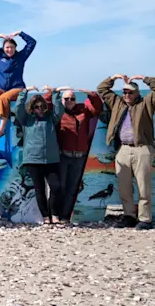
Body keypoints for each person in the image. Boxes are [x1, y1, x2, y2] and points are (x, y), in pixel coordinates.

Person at [97, 74, 155, 230]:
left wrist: (144, 78)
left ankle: (145, 219)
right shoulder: (117, 103)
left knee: (143, 187)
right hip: (123, 150)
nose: (127, 95)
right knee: (124, 187)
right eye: (125, 92)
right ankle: (129, 216)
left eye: (130, 92)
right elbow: (102, 88)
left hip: (142, 149)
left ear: (137, 93)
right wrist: (113, 77)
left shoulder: (147, 104)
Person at [42, 87, 103, 220]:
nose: (70, 101)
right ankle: (54, 214)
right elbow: (44, 105)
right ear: (62, 100)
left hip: (79, 157)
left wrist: (90, 93)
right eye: (66, 98)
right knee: (60, 187)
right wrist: (50, 92)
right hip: (63, 156)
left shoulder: (84, 110)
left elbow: (97, 107)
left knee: (73, 188)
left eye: (72, 98)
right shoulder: (58, 112)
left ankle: (66, 216)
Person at [16, 85, 65, 225]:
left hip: (51, 160)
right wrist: (24, 93)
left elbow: (59, 110)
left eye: (42, 106)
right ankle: (45, 217)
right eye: (36, 106)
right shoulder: (26, 120)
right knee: (40, 189)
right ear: (32, 108)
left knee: (56, 187)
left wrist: (55, 93)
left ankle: (54, 214)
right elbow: (18, 109)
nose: (40, 109)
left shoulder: (52, 118)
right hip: (33, 159)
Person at [0, 31, 37, 139]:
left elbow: (32, 42)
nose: (9, 50)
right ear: (3, 48)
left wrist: (20, 33)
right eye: (7, 47)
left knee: (4, 98)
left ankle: (1, 129)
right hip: (2, 88)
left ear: (15, 48)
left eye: (12, 47)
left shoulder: (21, 56)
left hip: (18, 88)